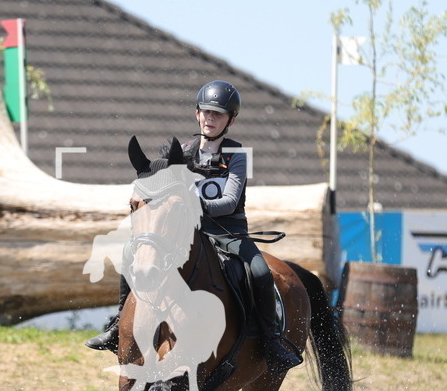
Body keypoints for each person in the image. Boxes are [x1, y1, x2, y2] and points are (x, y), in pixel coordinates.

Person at [86, 80, 302, 374]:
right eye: (206, 113)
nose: (211, 119)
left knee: (260, 270)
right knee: (129, 251)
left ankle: (270, 339)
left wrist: (190, 206)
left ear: (231, 120)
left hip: (228, 233)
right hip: (187, 233)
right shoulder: (182, 153)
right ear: (197, 114)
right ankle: (117, 325)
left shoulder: (237, 156)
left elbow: (228, 201)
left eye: (219, 114)